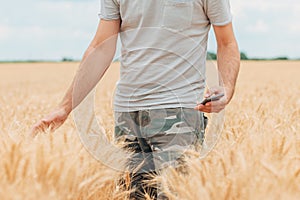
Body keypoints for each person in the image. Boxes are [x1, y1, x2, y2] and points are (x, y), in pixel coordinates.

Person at [31, 0, 240, 199]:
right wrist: (64, 108)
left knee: (174, 194)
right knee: (132, 196)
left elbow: (227, 42)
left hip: (181, 113)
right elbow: (101, 47)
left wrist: (227, 89)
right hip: (128, 116)